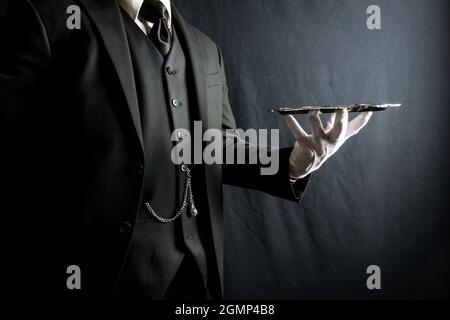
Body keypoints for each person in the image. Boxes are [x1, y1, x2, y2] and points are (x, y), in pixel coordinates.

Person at [0, 0, 372, 300]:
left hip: (198, 276)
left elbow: (219, 146)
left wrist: (292, 164)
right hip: (95, 276)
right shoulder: (48, 18)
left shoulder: (205, 48)